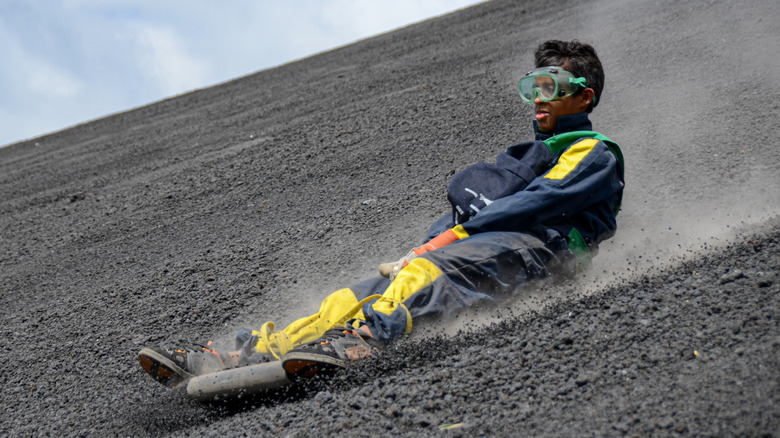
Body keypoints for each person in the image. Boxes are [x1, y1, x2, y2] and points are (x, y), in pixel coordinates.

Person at [138, 39, 625, 387]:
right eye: (533, 86)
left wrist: (442, 245)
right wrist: (428, 243)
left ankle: (368, 339)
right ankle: (242, 353)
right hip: (487, 246)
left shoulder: (594, 151)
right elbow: (465, 216)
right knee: (351, 295)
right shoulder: (519, 155)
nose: (539, 97)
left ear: (584, 95)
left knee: (426, 271)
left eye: (552, 86)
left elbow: (534, 204)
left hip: (546, 252)